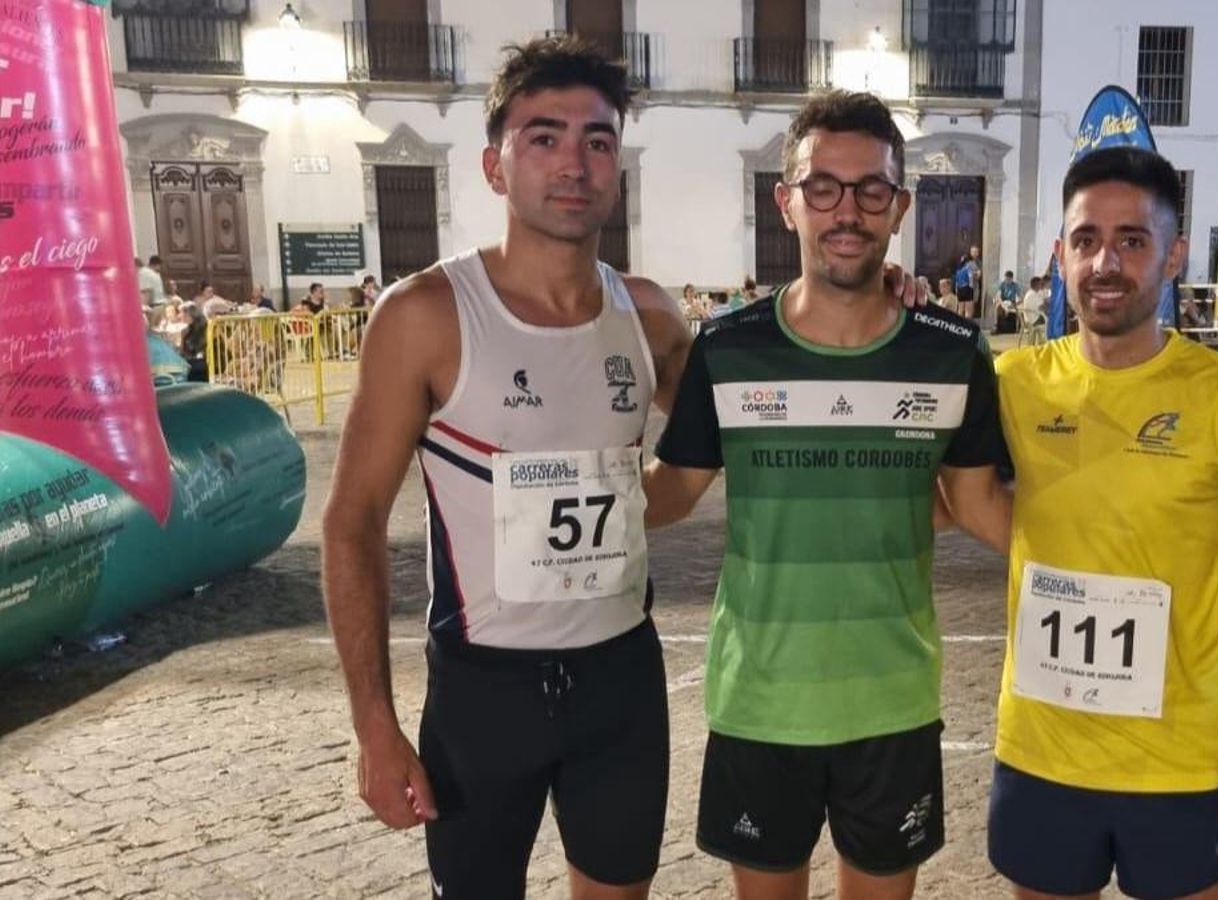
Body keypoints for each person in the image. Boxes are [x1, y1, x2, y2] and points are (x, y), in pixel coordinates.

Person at [319, 37, 695, 899]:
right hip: (483, 694)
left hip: (621, 684)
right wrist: (372, 724)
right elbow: (351, 520)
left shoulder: (650, 315)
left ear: (617, 167)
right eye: (544, 137)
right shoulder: (425, 315)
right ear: (495, 166)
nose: (574, 162)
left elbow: (729, 428)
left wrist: (875, 294)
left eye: (598, 142)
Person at [642, 89, 1009, 900]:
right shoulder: (728, 349)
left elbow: (983, 508)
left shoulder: (951, 352)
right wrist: (532, 485)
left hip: (893, 702)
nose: (848, 209)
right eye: (823, 187)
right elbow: (668, 495)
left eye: (871, 188)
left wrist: (1118, 547)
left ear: (899, 206)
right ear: (787, 203)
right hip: (760, 701)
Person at [982, 146, 1218, 900]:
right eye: (1088, 240)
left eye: (1133, 241)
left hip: (1183, 767)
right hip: (1042, 755)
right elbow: (952, 501)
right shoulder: (1012, 385)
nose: (1106, 262)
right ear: (1061, 254)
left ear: (1173, 257)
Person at [953, 244, 980, 318]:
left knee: (960, 309)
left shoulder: (959, 269)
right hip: (968, 289)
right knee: (968, 310)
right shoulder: (969, 266)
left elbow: (956, 280)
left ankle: (959, 324)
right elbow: (972, 277)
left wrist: (956, 290)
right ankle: (968, 325)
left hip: (960, 289)